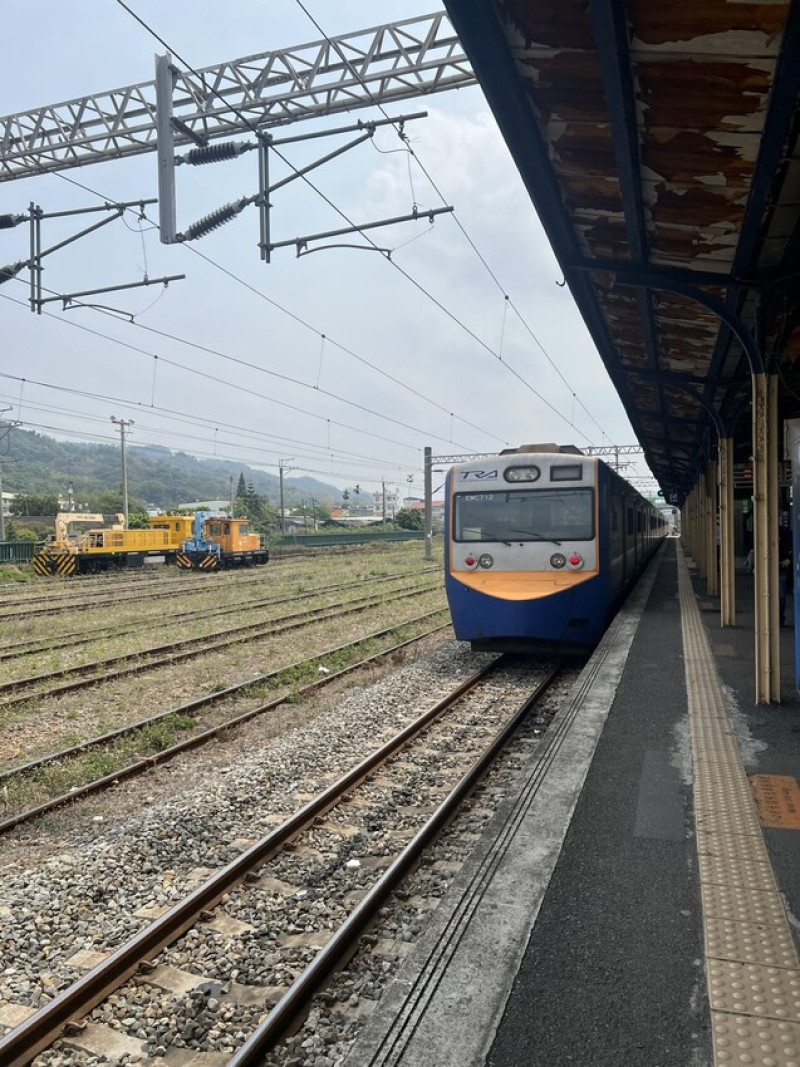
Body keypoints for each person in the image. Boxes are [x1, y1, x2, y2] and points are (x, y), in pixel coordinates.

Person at [779, 522, 793, 626]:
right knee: (781, 594)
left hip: (781, 565)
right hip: (782, 565)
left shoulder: (785, 532)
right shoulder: (786, 531)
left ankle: (779, 618)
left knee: (781, 595)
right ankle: (779, 618)